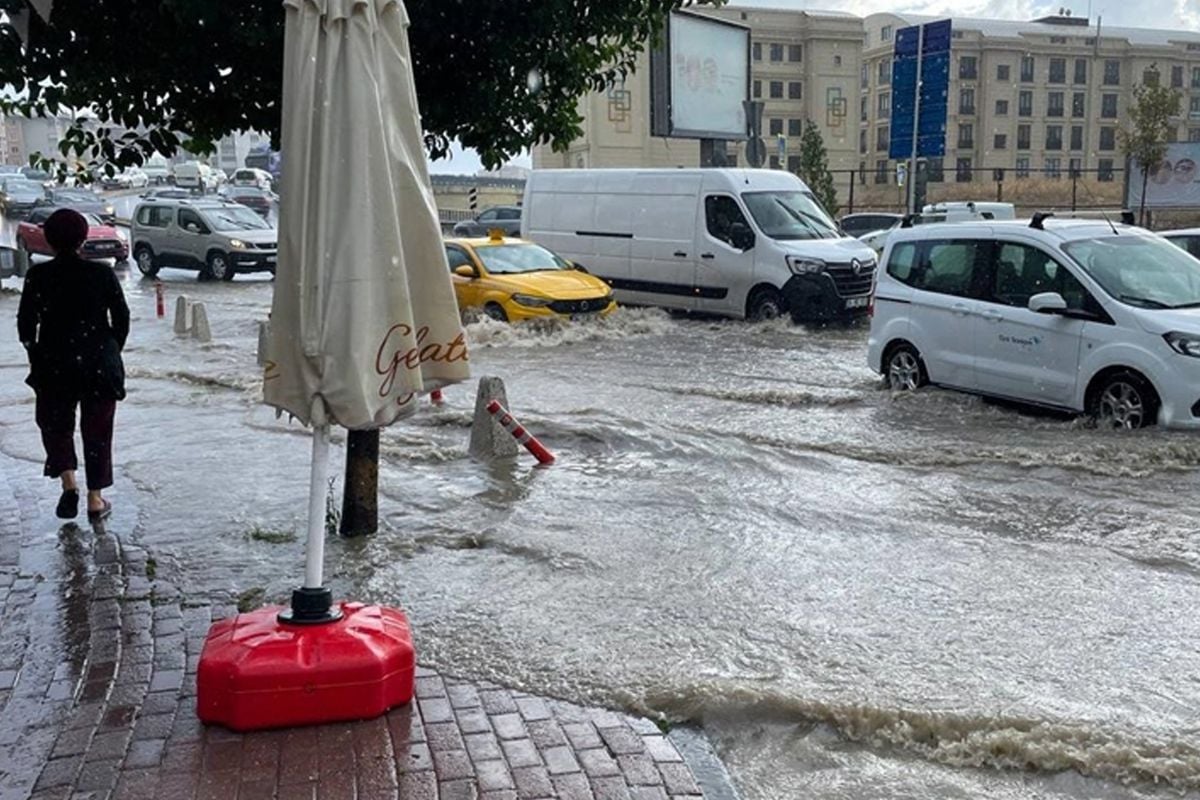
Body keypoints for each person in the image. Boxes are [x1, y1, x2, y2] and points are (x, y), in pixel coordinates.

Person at [17, 208, 129, 523]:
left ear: (49, 240)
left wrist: (35, 353)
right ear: (83, 238)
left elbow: (26, 323)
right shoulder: (101, 274)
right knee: (98, 431)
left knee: (55, 426)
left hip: (54, 364)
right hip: (98, 364)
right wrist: (111, 349)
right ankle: (95, 499)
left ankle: (69, 483)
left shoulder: (39, 276)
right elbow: (121, 318)